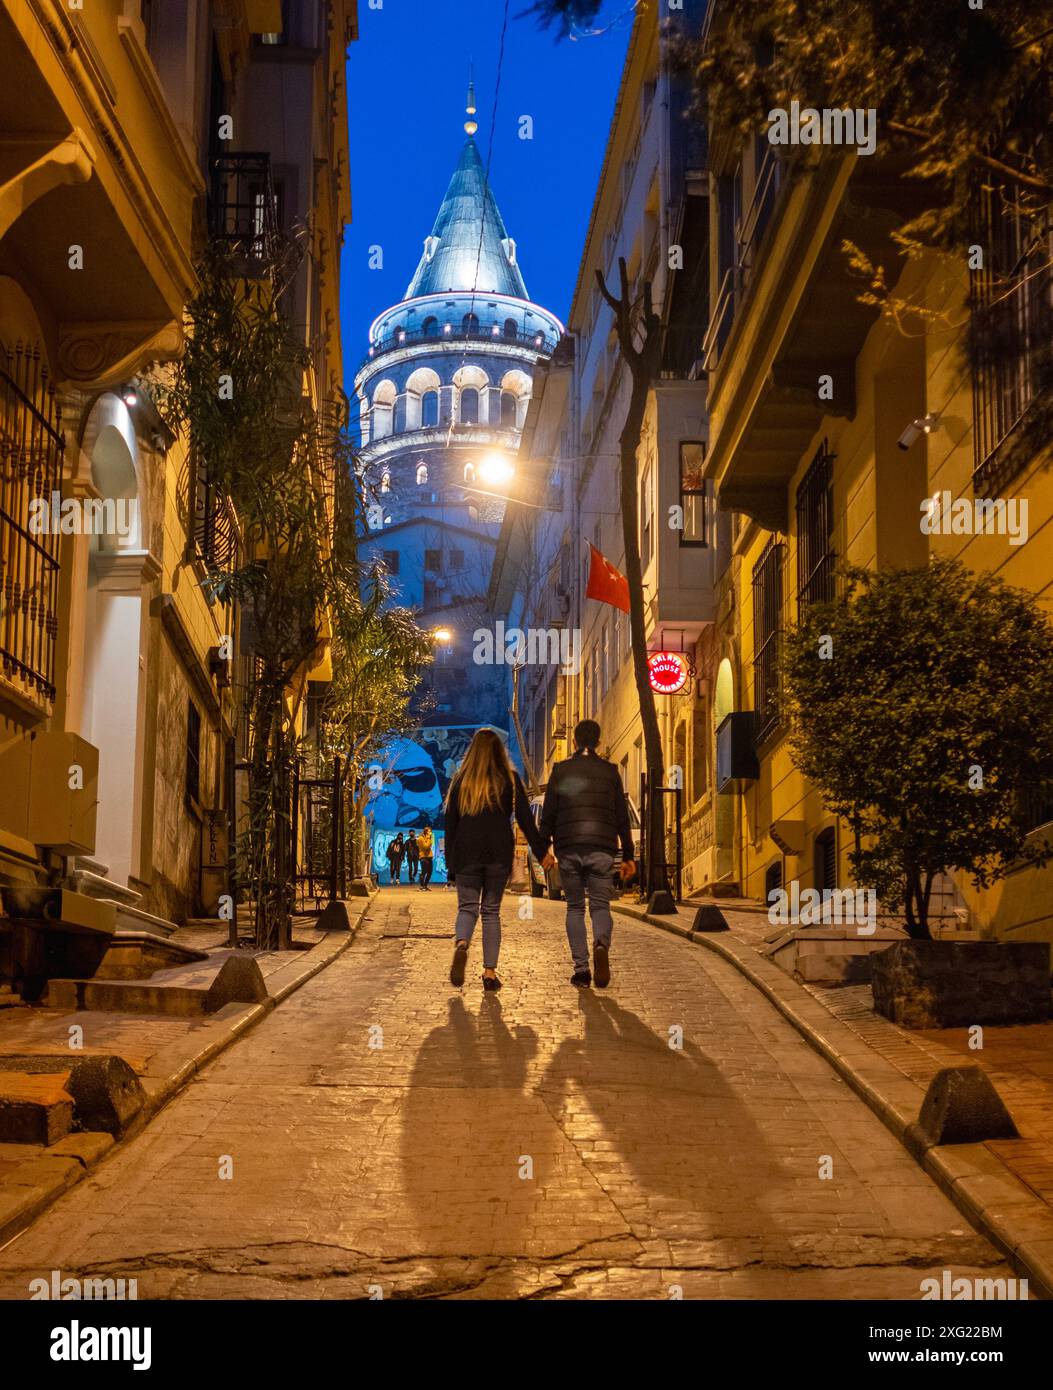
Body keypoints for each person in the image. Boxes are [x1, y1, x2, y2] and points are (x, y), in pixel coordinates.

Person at [444, 728, 548, 991]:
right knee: (491, 912)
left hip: (466, 852)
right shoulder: (510, 780)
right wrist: (542, 851)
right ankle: (489, 973)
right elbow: (525, 821)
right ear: (499, 752)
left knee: (467, 908)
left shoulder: (460, 780)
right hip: (498, 854)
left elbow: (451, 825)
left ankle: (462, 943)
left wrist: (450, 863)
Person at [538, 719, 635, 989]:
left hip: (569, 848)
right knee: (601, 906)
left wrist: (543, 849)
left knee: (575, 907)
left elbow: (549, 816)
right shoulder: (610, 772)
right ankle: (601, 944)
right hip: (602, 847)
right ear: (599, 742)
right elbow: (621, 817)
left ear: (574, 742)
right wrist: (628, 854)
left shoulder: (560, 771)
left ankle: (581, 969)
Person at [418, 826, 434, 890]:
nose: (430, 833)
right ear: (426, 831)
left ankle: (425, 885)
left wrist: (429, 838)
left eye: (431, 831)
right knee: (424, 872)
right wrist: (429, 838)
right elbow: (425, 847)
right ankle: (422, 886)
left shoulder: (428, 838)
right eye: (429, 831)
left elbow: (430, 845)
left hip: (429, 857)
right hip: (423, 857)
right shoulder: (421, 838)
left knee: (430, 872)